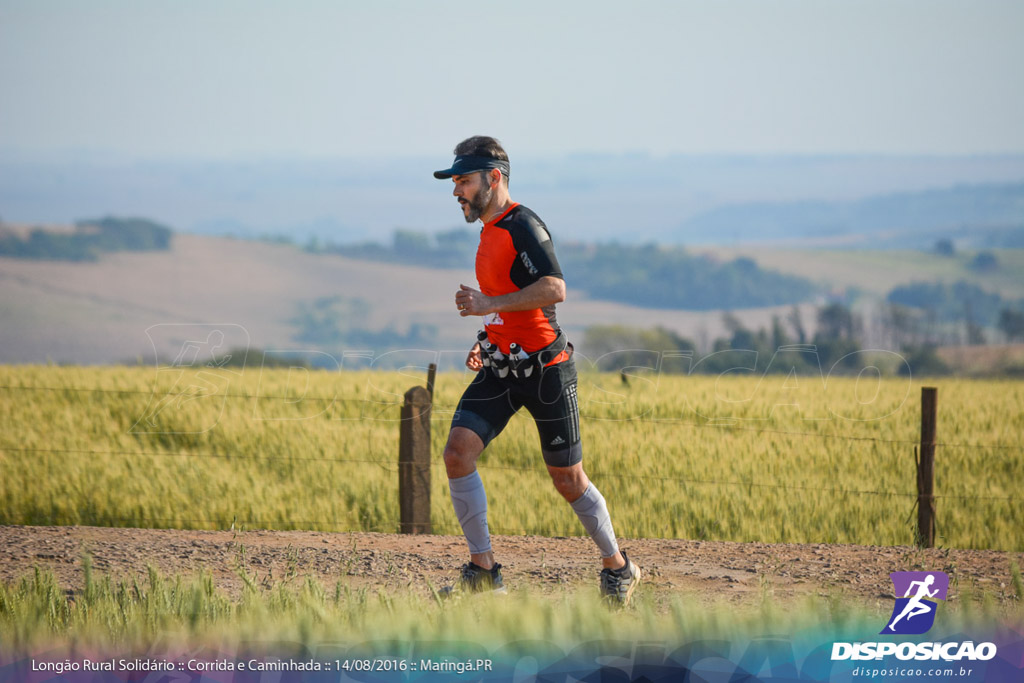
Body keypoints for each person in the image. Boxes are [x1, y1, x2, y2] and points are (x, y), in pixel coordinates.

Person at [433, 135, 640, 604]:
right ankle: (485, 572)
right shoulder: (489, 231)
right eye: (455, 182)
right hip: (503, 369)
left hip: (547, 371)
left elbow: (554, 288)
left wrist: (487, 303)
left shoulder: (524, 225)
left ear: (494, 178)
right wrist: (486, 338)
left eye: (463, 181)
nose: (455, 192)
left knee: (567, 480)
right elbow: (512, 308)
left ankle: (619, 567)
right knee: (457, 453)